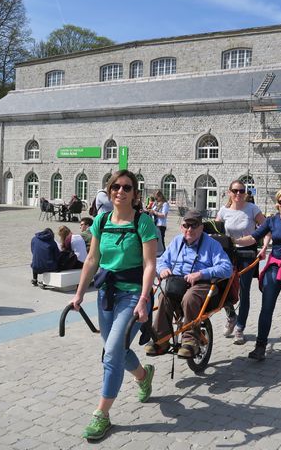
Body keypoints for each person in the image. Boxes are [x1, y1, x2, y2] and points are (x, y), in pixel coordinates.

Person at [70, 170, 158, 442]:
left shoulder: (143, 222)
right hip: (106, 293)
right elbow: (92, 260)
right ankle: (143, 376)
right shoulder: (101, 220)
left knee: (111, 353)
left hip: (133, 295)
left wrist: (144, 299)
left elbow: (150, 265)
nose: (121, 191)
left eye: (127, 187)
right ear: (109, 191)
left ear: (135, 193)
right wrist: (79, 294)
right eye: (116, 187)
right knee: (115, 348)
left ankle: (102, 414)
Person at [145, 209, 233, 358]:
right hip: (178, 282)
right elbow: (162, 261)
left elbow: (226, 268)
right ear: (181, 227)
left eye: (194, 226)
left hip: (203, 284)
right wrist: (164, 269)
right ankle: (161, 340)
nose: (189, 229)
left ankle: (190, 341)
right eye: (186, 225)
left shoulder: (212, 244)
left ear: (201, 227)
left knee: (190, 297)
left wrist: (201, 274)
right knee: (163, 297)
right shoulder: (177, 241)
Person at [236, 188, 281, 360]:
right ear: (277, 203)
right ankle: (260, 345)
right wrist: (234, 241)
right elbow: (254, 237)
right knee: (267, 306)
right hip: (275, 267)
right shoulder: (271, 221)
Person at [216, 179, 268, 345]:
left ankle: (240, 327)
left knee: (244, 292)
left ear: (246, 193)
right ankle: (232, 315)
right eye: (235, 190)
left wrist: (264, 247)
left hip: (247, 254)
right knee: (222, 287)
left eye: (242, 191)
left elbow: (267, 228)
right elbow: (215, 232)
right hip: (228, 255)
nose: (239, 194)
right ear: (229, 192)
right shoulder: (223, 211)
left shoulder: (252, 209)